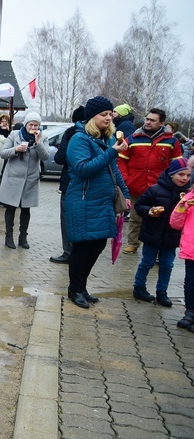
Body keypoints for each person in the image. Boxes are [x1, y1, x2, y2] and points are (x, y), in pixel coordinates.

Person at [65, 96, 130, 309]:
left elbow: (114, 169)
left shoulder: (109, 139)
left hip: (103, 202)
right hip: (83, 201)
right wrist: (112, 151)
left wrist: (126, 194)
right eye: (103, 114)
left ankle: (82, 287)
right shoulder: (80, 139)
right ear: (92, 117)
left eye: (110, 114)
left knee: (98, 244)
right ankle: (75, 289)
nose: (108, 118)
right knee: (83, 247)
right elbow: (83, 168)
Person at [118, 108, 182, 254]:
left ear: (161, 123)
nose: (148, 122)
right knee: (135, 217)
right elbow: (121, 160)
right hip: (136, 185)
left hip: (160, 188)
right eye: (147, 119)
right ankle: (133, 243)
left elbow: (177, 164)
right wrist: (126, 179)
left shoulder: (171, 141)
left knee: (161, 219)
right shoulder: (132, 139)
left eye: (152, 120)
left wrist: (173, 183)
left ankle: (158, 249)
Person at [133, 158, 191, 306]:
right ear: (171, 174)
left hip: (172, 237)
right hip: (152, 233)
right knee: (147, 262)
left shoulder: (188, 194)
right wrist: (149, 211)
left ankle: (162, 292)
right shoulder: (155, 190)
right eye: (181, 175)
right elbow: (139, 206)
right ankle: (139, 287)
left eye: (188, 175)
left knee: (167, 265)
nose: (185, 178)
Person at [0, 112, 49, 249]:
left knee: (26, 209)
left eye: (36, 125)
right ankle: (9, 236)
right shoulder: (14, 135)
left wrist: (38, 143)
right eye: (30, 124)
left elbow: (45, 157)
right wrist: (16, 149)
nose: (33, 127)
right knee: (11, 208)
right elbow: (2, 153)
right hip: (13, 178)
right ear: (26, 124)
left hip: (30, 179)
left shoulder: (43, 138)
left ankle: (23, 237)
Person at [50, 106, 85, 264]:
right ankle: (81, 252)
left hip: (70, 183)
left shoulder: (71, 133)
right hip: (90, 185)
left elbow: (59, 158)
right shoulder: (100, 133)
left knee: (67, 218)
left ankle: (69, 252)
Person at [170, 179, 194, 332]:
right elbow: (176, 224)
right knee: (191, 283)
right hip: (191, 249)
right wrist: (182, 207)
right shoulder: (189, 198)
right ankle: (190, 312)